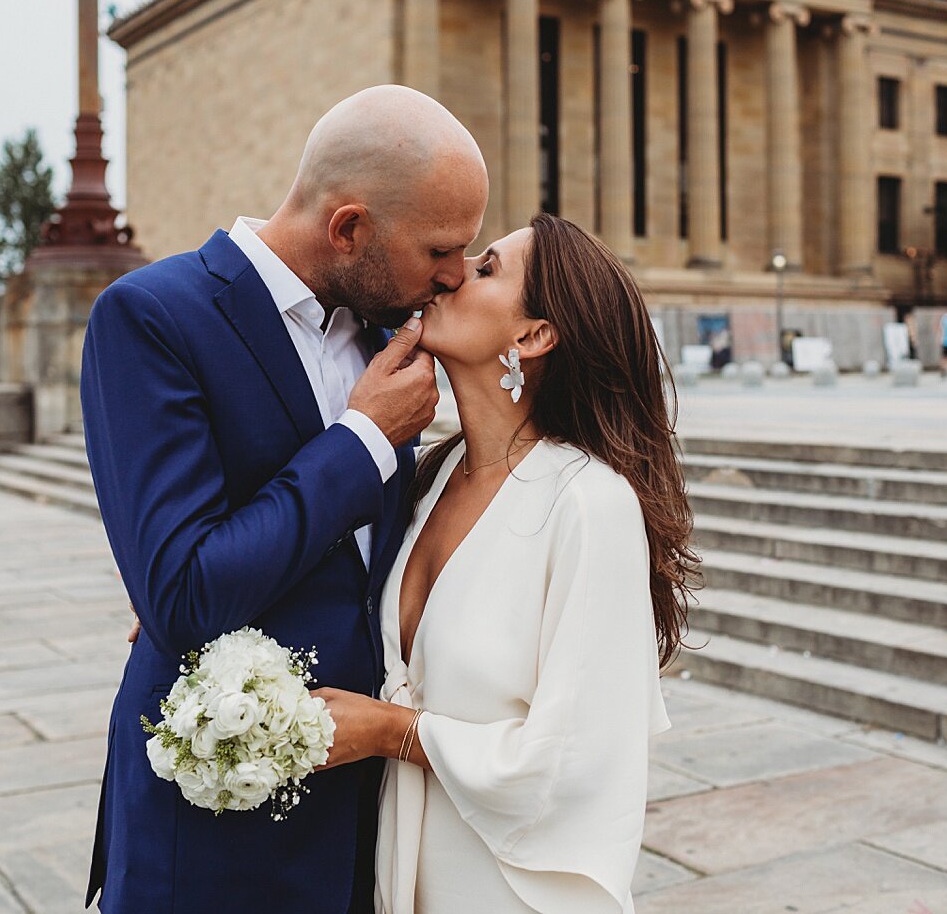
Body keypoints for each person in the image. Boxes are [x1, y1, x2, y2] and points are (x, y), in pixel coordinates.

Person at [79, 85, 488, 914]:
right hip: (213, 811)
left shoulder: (391, 337)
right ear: (349, 229)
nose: (453, 276)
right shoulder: (154, 317)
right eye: (441, 248)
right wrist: (365, 439)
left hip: (364, 816)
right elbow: (184, 593)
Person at [315, 213, 699, 913]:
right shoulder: (430, 478)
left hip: (508, 887)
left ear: (533, 335)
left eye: (486, 268)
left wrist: (389, 731)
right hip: (400, 873)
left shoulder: (588, 504)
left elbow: (576, 758)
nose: (455, 273)